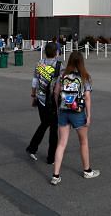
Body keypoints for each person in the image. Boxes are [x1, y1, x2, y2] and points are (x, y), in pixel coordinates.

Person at [50, 51, 99, 185]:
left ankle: (56, 175)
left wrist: (58, 107)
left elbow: (56, 92)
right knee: (83, 142)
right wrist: (88, 116)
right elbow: (87, 97)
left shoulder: (63, 75)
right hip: (78, 112)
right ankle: (87, 171)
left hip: (63, 111)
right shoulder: (84, 77)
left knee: (61, 143)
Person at [26, 42, 61, 164]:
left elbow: (35, 81)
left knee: (45, 123)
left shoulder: (39, 63)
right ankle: (51, 157)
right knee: (53, 128)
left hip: (41, 99)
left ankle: (32, 147)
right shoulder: (59, 66)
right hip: (53, 101)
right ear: (56, 52)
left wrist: (33, 95)